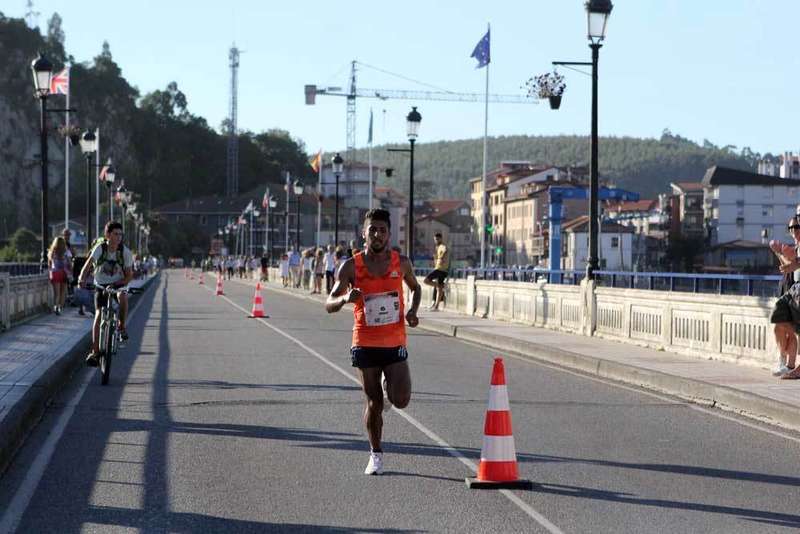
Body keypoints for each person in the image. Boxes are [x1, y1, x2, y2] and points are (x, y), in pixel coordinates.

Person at [325, 208, 421, 475]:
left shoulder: (401, 262)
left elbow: (416, 288)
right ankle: (375, 454)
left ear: (388, 234)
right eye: (372, 230)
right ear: (363, 233)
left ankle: (389, 388)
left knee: (400, 400)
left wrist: (412, 311)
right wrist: (345, 299)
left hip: (394, 340)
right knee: (373, 403)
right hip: (365, 342)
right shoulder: (350, 266)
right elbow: (328, 303)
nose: (377, 234)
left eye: (382, 230)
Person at [78, 221, 134, 367]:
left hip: (118, 283)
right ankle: (95, 352)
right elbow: (87, 265)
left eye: (120, 234)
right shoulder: (100, 248)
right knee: (98, 314)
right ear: (107, 235)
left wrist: (117, 284)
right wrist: (81, 279)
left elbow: (129, 276)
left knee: (123, 297)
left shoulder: (125, 252)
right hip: (100, 285)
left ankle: (121, 327)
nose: (118, 237)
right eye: (115, 234)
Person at [770, 216, 800, 378]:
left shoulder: (795, 248)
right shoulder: (795, 247)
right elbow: (788, 266)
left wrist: (780, 252)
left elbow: (791, 264)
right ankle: (784, 361)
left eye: (796, 227)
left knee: (789, 329)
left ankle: (789, 365)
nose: (793, 230)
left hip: (795, 290)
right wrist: (779, 252)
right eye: (791, 228)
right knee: (779, 325)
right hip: (791, 289)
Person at [423, 232, 450, 311]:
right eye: (435, 239)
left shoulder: (442, 246)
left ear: (441, 239)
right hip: (440, 269)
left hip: (441, 269)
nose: (436, 241)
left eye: (437, 239)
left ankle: (439, 286)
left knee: (426, 281)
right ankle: (436, 306)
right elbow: (437, 258)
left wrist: (442, 257)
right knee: (439, 289)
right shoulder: (437, 247)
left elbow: (446, 250)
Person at [48, 236, 70, 315]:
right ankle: (60, 307)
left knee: (56, 293)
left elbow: (49, 265)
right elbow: (69, 263)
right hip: (63, 273)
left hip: (55, 273)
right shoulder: (66, 251)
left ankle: (55, 307)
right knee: (62, 292)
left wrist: (50, 272)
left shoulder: (52, 251)